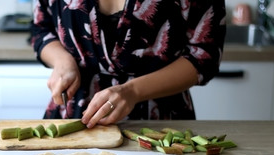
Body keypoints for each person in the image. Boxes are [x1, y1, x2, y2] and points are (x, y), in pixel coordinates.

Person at [31, 0, 226, 128]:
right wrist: (63, 61)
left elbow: (204, 56)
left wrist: (133, 91)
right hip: (73, 116)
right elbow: (41, 29)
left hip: (159, 123)